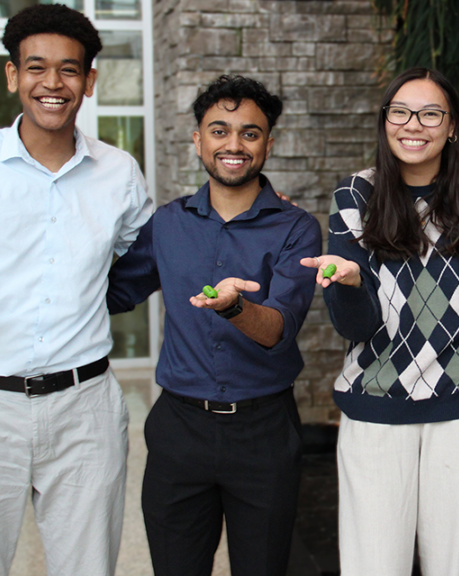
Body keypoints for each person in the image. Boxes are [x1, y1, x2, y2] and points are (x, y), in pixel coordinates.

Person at [0, 4, 153, 576]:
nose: (53, 83)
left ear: (89, 81)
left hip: (85, 408)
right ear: (12, 75)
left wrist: (254, 211)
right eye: (36, 67)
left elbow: (153, 251)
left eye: (69, 70)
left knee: (87, 567)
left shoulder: (119, 172)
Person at [106, 75, 321, 576]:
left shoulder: (297, 228)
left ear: (269, 143)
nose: (234, 144)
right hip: (179, 430)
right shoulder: (167, 223)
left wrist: (232, 308)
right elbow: (114, 293)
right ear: (197, 140)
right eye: (219, 130)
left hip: (264, 433)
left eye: (250, 133)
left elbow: (276, 330)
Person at [301, 67, 459, 576]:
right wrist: (349, 285)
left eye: (430, 113)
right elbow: (356, 328)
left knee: (456, 566)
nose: (413, 124)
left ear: (453, 126)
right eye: (400, 111)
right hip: (376, 408)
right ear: (385, 120)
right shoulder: (356, 194)